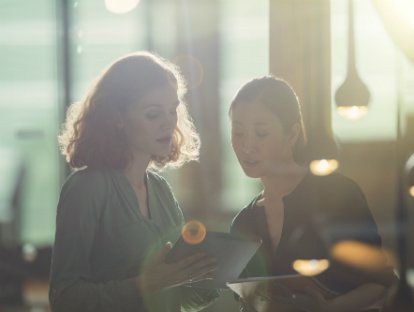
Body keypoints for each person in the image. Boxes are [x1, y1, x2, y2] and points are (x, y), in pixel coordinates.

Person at [49, 52, 219, 312]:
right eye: (153, 114)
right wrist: (145, 285)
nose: (168, 123)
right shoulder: (86, 189)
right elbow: (64, 299)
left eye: (172, 110)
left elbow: (184, 299)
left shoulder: (161, 190)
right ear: (117, 118)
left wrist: (210, 275)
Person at [229, 76, 395, 311]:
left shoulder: (338, 194)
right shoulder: (243, 223)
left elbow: (380, 283)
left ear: (292, 133)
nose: (247, 146)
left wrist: (329, 309)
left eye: (261, 133)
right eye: (238, 133)